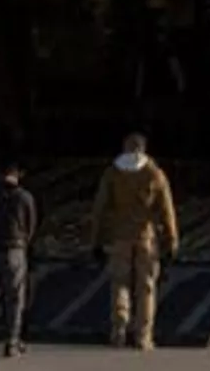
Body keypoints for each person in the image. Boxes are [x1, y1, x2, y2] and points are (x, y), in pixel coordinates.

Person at [89, 133, 179, 351]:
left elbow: (99, 209)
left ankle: (119, 332)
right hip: (146, 237)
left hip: (119, 237)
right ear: (144, 149)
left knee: (120, 283)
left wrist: (96, 241)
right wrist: (172, 242)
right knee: (146, 287)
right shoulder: (154, 174)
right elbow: (167, 211)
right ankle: (143, 337)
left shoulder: (112, 173)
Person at [0, 161, 37, 358]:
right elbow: (31, 225)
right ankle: (12, 341)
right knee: (14, 299)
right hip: (15, 249)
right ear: (17, 175)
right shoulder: (24, 197)